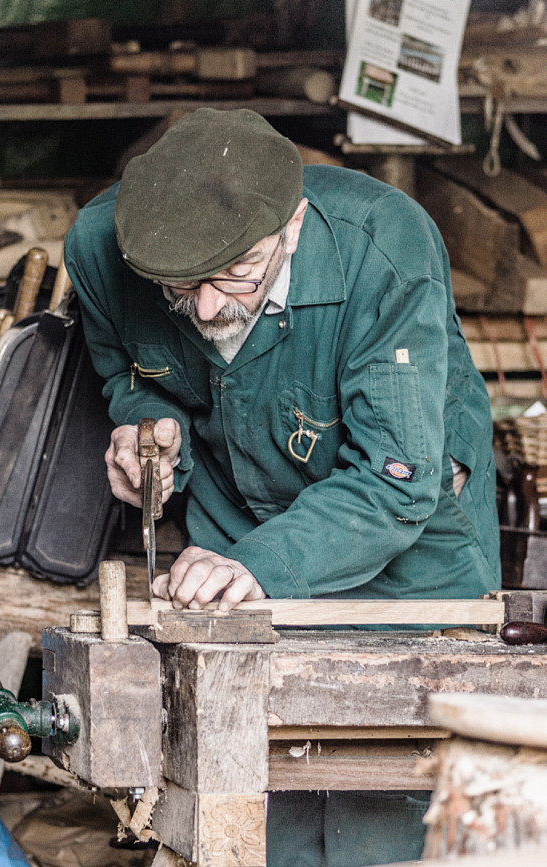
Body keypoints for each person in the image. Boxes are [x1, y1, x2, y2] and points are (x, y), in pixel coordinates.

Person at [64, 108, 501, 867]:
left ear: (292, 227)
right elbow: (127, 378)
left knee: (394, 805)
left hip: (411, 545)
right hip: (238, 523)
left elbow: (394, 483)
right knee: (259, 801)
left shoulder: (382, 249)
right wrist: (153, 439)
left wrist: (259, 566)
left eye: (234, 275)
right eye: (178, 286)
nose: (204, 309)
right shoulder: (102, 251)